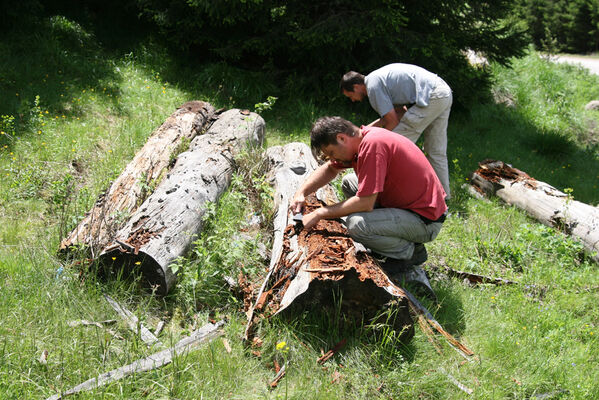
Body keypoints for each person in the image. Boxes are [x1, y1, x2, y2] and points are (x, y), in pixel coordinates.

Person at [291, 116, 447, 267]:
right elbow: (330, 168)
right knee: (349, 182)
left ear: (342, 138)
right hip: (406, 205)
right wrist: (301, 192)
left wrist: (320, 213)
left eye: (332, 152)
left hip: (425, 220)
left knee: (356, 225)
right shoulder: (362, 140)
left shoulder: (373, 146)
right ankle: (386, 233)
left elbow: (366, 203)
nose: (333, 158)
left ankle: (410, 252)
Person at [340, 63, 452, 197]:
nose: (352, 100)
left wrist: (372, 141)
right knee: (436, 150)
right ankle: (443, 196)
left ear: (356, 87)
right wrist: (362, 132)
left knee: (393, 148)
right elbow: (398, 113)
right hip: (443, 93)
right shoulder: (377, 79)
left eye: (350, 95)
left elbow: (392, 121)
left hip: (433, 96)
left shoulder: (373, 87)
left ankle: (380, 190)